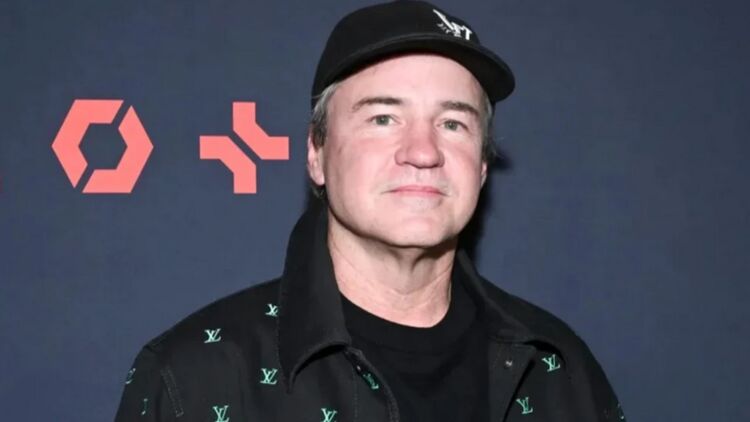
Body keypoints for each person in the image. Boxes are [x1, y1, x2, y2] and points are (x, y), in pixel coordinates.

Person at [115, 1, 624, 421]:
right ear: (316, 153)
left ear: (483, 166)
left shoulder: (559, 370)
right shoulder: (195, 378)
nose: (423, 152)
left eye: (452, 124)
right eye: (383, 118)